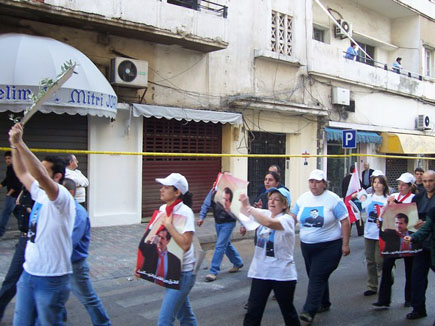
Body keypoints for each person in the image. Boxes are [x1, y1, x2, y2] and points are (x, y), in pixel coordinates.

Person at [8, 123, 76, 325]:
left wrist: (21, 143)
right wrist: (13, 145)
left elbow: (37, 174)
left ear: (57, 177)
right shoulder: (39, 193)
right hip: (29, 273)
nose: (38, 174)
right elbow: (22, 172)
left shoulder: (61, 196)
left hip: (52, 278)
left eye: (46, 171)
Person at [136, 173, 197, 326]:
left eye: (166, 187)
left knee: (164, 321)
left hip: (183, 273)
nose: (161, 190)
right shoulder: (163, 209)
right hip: (171, 270)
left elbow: (185, 245)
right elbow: (151, 237)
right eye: (162, 186)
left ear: (177, 192)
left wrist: (169, 225)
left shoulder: (185, 212)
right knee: (186, 317)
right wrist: (141, 265)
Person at [290, 169, 350, 323]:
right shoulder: (303, 198)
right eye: (311, 181)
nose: (314, 185)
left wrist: (345, 244)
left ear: (324, 183)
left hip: (329, 247)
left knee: (316, 277)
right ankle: (324, 302)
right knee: (316, 275)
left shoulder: (333, 200)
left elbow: (345, 221)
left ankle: (309, 310)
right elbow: (292, 218)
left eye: (317, 182)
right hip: (308, 247)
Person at [239, 188, 300, 326]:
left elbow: (268, 223)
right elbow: (244, 213)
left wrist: (249, 207)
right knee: (253, 312)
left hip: (282, 274)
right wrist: (233, 200)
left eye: (276, 199)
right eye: (270, 198)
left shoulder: (287, 219)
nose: (271, 201)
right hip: (261, 272)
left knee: (288, 312)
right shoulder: (265, 213)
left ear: (284, 205)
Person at [62, 178, 111, 325]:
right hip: (60, 264)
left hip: (74, 264)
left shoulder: (78, 213)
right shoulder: (61, 210)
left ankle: (103, 323)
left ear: (70, 193)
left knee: (89, 298)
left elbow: (70, 241)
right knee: (55, 298)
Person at [373, 172, 415, 309]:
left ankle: (409, 298)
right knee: (386, 267)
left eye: (404, 185)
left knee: (410, 270)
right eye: (399, 184)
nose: (401, 187)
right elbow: (383, 213)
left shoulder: (414, 198)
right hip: (392, 238)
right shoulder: (393, 197)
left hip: (408, 238)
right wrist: (380, 220)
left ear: (410, 186)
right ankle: (384, 299)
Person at [198, 179, 244, 282]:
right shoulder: (215, 190)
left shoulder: (235, 193)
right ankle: (237, 262)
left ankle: (213, 271)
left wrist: (243, 225)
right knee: (225, 244)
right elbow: (206, 203)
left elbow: (240, 209)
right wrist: (201, 217)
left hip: (229, 222)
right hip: (218, 222)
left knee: (220, 245)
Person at [0, 187, 33, 322]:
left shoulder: (40, 190)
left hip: (34, 240)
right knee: (12, 279)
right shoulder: (25, 189)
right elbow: (18, 207)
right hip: (24, 239)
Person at [407, 170, 435, 320]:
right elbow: (408, 214)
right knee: (417, 277)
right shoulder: (418, 197)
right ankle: (418, 308)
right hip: (421, 243)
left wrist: (427, 224)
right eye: (425, 181)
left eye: (431, 181)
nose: (428, 184)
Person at [404, 206, 435, 326]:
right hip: (428, 250)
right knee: (417, 278)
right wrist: (412, 237)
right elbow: (426, 229)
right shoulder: (433, 211)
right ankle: (418, 308)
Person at [362, 175, 388, 296]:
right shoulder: (368, 198)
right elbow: (359, 207)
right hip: (369, 232)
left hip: (381, 233)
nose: (376, 185)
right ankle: (372, 286)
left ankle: (389, 273)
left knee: (380, 259)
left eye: (379, 182)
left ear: (384, 185)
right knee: (370, 260)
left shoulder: (387, 199)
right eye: (375, 182)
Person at [0, 151, 22, 237]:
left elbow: (17, 183)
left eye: (9, 158)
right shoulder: (9, 168)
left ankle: (0, 232)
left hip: (13, 196)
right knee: (19, 215)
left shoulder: (15, 168)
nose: (7, 160)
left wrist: (9, 193)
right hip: (14, 196)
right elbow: (7, 179)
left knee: (5, 213)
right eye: (6, 159)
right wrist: (2, 185)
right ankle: (25, 230)